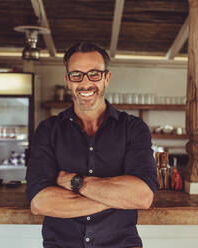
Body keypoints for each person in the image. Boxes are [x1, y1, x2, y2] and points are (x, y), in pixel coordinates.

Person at [26, 41, 159, 248]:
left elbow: (142, 196)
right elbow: (40, 203)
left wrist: (74, 182)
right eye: (76, 75)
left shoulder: (133, 129)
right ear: (68, 81)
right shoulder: (48, 131)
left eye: (94, 74)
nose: (85, 83)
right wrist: (117, 198)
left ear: (107, 78)